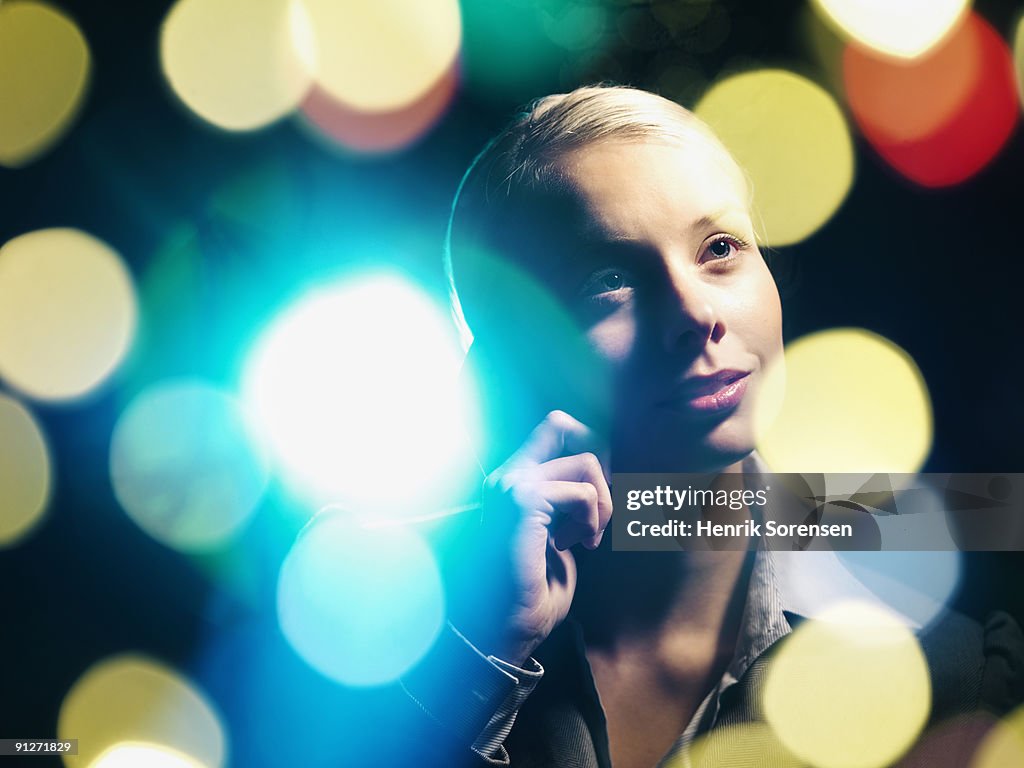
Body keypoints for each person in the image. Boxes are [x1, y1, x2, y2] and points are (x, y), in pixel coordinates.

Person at [380, 85, 1023, 768]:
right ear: (505, 363)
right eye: (606, 278)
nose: (694, 313)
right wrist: (480, 665)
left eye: (720, 247)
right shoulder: (393, 638)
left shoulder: (947, 670)